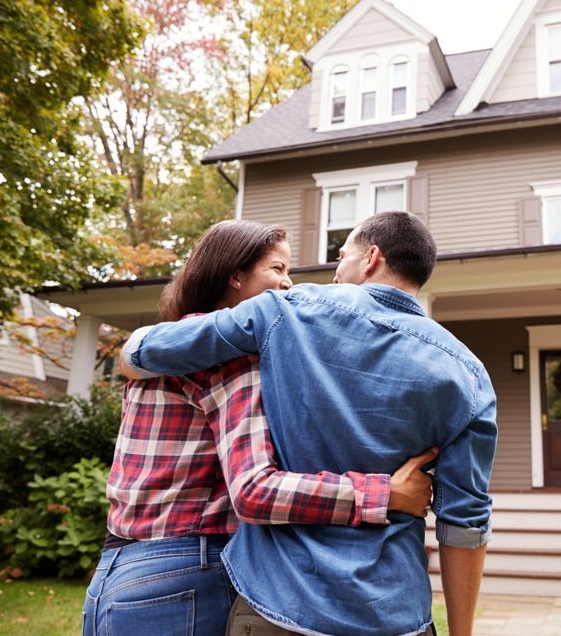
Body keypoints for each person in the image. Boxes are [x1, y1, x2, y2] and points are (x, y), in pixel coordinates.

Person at [121, 211, 497, 636]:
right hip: (392, 612)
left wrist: (131, 352)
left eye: (342, 257)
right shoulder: (469, 374)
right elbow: (465, 523)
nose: (335, 274)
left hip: (279, 605)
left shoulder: (285, 311)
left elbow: (147, 350)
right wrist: (461, 631)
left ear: (370, 258)